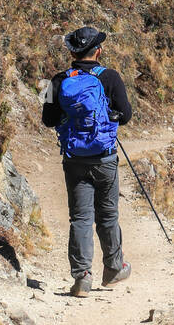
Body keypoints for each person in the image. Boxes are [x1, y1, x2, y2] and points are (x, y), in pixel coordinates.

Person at [42, 25, 133, 297]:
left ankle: (82, 277)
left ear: (72, 51)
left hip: (74, 159)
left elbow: (47, 120)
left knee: (80, 218)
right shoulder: (111, 77)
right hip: (105, 158)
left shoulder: (56, 81)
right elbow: (126, 115)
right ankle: (114, 268)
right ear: (99, 51)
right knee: (108, 215)